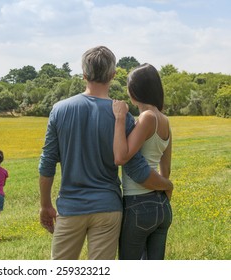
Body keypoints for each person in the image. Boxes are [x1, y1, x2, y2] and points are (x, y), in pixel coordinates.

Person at [38, 46, 173, 260]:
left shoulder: (59, 110)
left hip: (71, 207)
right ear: (113, 75)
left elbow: (46, 164)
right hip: (108, 209)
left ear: (83, 75)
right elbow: (137, 169)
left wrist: (45, 205)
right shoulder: (123, 116)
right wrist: (167, 185)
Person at [112, 63, 173, 260]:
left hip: (138, 203)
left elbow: (122, 156)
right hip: (162, 206)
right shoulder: (164, 120)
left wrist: (120, 118)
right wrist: (164, 192)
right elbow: (166, 169)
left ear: (135, 90)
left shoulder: (147, 117)